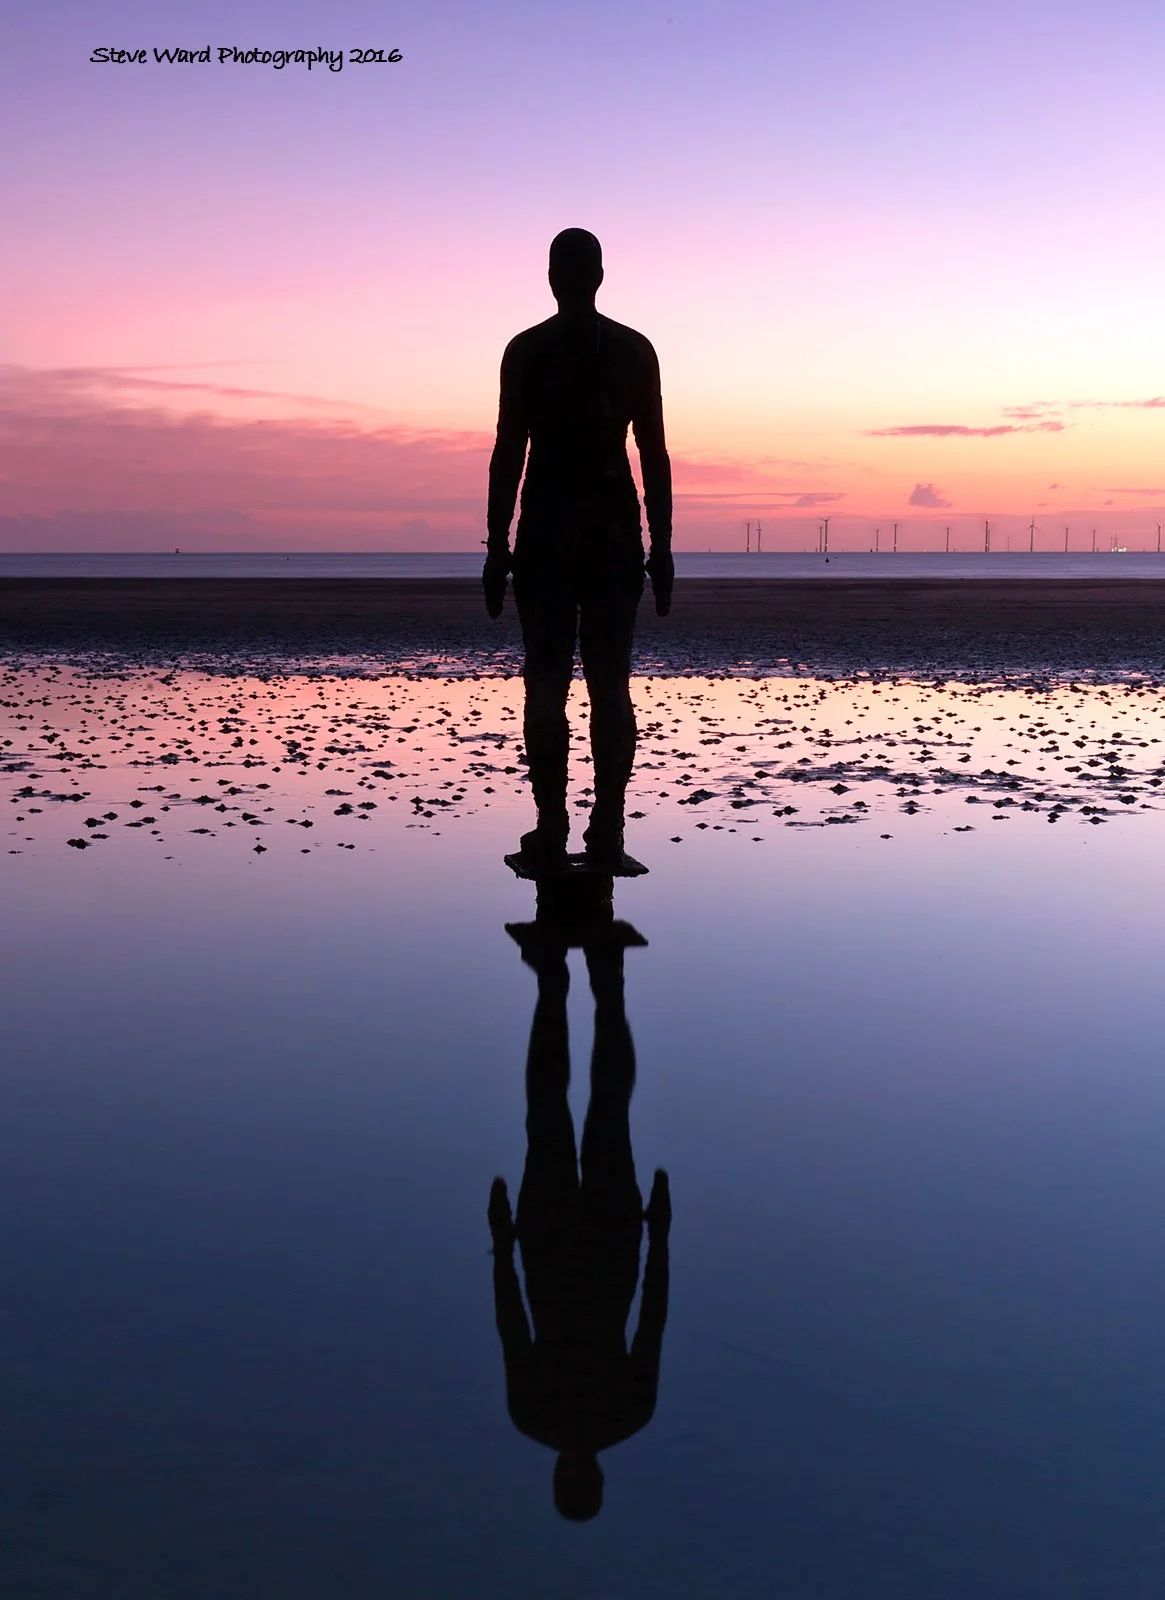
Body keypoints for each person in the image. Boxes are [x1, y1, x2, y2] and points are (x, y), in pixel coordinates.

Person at [483, 228, 673, 871]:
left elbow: (510, 452)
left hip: (548, 536)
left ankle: (558, 826)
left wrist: (497, 545)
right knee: (607, 686)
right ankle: (603, 831)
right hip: (612, 536)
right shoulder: (631, 350)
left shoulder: (528, 351)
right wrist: (662, 546)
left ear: (555, 278)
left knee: (549, 686)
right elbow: (653, 455)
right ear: (597, 276)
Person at [489, 919, 671, 1520]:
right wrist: (502, 1245)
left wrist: (660, 1236)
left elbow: (651, 1319)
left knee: (603, 1107)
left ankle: (600, 977)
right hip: (551, 1246)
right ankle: (561, 979)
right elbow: (512, 1323)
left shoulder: (629, 1416)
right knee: (555, 1108)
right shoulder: (533, 1418)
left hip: (606, 1245)